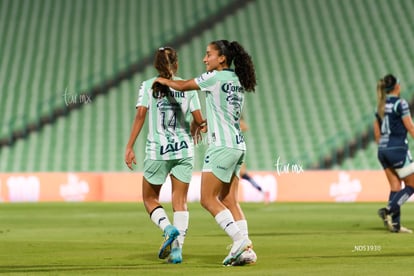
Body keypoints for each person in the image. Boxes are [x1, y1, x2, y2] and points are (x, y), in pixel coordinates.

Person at [154, 40, 257, 266]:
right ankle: (247, 249)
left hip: (220, 147)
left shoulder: (214, 78)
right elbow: (225, 114)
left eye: (208, 54)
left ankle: (239, 240)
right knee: (230, 199)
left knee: (208, 199)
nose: (204, 59)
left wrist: (160, 79)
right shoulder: (236, 80)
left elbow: (182, 87)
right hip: (238, 146)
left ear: (221, 58)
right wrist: (202, 122)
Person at [125, 46, 206, 264]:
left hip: (157, 150)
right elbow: (199, 119)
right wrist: (197, 127)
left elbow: (140, 116)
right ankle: (177, 251)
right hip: (184, 151)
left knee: (149, 198)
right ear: (176, 64)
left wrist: (130, 146)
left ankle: (167, 227)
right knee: (180, 201)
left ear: (156, 65)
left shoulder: (148, 86)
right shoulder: (188, 87)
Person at [375, 74, 414, 233]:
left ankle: (395, 225)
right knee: (412, 185)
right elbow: (410, 127)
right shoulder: (401, 103)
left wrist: (385, 146)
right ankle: (389, 210)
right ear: (397, 86)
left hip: (383, 150)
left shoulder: (381, 105)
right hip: (397, 148)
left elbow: (376, 133)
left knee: (395, 186)